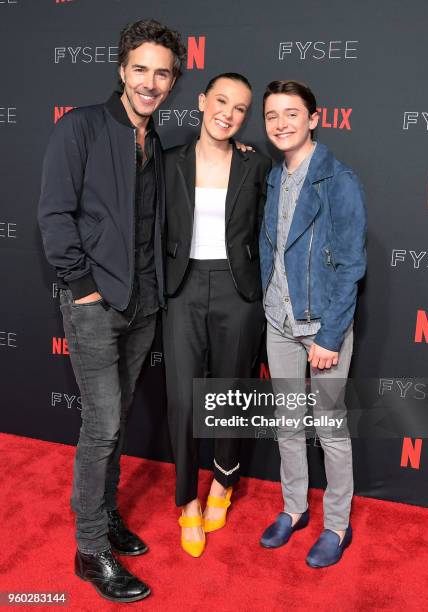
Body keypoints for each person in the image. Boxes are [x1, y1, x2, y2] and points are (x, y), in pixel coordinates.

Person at [38, 19, 185, 602]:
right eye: (141, 69)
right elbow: (54, 213)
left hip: (143, 305)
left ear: (173, 82)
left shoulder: (155, 141)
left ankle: (104, 515)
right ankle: (90, 548)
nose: (151, 82)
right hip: (96, 307)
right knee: (102, 427)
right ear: (122, 69)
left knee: (115, 423)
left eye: (163, 73)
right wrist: (82, 285)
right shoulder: (81, 127)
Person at [258, 80, 367, 567]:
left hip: (322, 325)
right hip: (278, 320)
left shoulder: (337, 179)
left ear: (314, 118)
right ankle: (294, 508)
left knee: (329, 427)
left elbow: (350, 264)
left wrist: (329, 334)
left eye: (291, 114)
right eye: (272, 116)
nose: (281, 124)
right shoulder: (274, 176)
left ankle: (338, 526)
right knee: (287, 424)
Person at [163, 73, 271, 557]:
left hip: (238, 290)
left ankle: (223, 484)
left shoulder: (257, 165)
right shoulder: (167, 164)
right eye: (221, 101)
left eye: (240, 108)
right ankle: (187, 501)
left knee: (230, 392)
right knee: (185, 400)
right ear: (203, 102)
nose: (227, 113)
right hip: (182, 290)